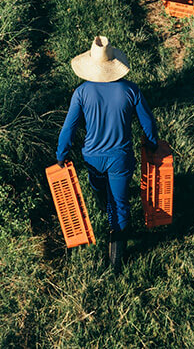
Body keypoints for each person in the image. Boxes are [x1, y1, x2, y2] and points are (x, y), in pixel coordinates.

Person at [56, 36, 159, 274]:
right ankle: (117, 259)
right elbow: (148, 122)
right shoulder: (131, 90)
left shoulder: (81, 93)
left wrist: (62, 153)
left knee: (100, 190)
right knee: (121, 204)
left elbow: (69, 127)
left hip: (92, 158)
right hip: (120, 157)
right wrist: (152, 144)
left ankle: (106, 209)